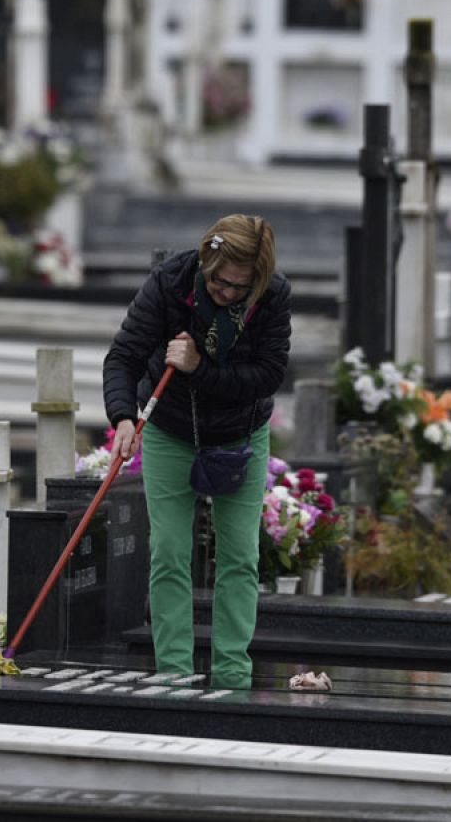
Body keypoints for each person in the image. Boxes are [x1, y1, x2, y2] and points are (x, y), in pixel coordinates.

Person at [103, 215, 290, 691]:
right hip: (170, 429)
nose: (226, 293)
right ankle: (173, 674)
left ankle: (231, 675)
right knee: (168, 550)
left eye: (239, 288)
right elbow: (123, 357)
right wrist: (123, 417)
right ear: (207, 261)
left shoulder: (273, 296)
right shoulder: (169, 284)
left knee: (239, 554)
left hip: (240, 432)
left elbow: (267, 375)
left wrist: (197, 368)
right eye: (219, 282)